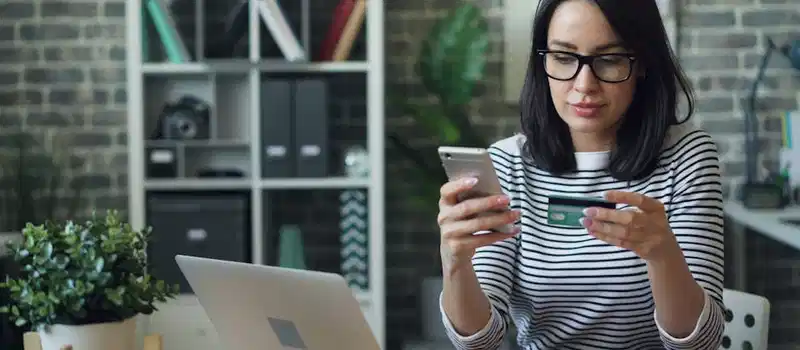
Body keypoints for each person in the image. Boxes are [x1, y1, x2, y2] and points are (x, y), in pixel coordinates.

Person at [436, 0, 725, 349]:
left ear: (643, 63)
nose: (584, 84)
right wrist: (455, 263)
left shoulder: (687, 157)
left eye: (609, 59)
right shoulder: (507, 164)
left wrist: (663, 255)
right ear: (543, 62)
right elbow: (479, 343)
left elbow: (700, 343)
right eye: (564, 58)